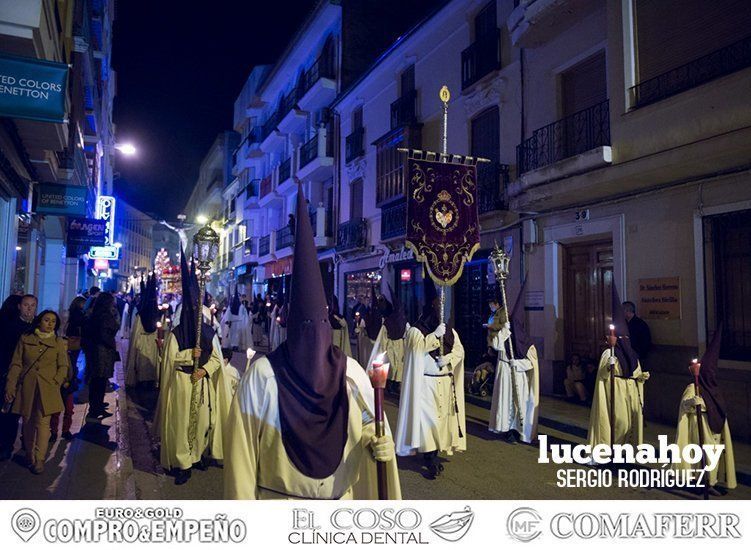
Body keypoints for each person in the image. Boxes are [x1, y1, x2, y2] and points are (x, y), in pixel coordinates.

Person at [224, 185, 400, 499]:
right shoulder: (263, 376)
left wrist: (379, 439)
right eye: (304, 328)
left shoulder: (352, 374)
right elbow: (241, 458)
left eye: (317, 327)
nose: (312, 337)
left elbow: (368, 424)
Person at [158, 250, 232, 485]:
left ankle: (198, 454)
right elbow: (170, 361)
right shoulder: (176, 335)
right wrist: (191, 355)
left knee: (202, 423)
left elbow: (217, 359)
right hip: (182, 383)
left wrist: (204, 369)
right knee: (181, 425)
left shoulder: (208, 332)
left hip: (201, 382)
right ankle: (183, 463)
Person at [396, 277, 466, 479]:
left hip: (444, 382)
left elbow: (460, 351)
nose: (439, 310)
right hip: (425, 384)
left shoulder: (449, 331)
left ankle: (434, 453)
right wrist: (435, 336)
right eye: (436, 306)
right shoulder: (416, 332)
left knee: (442, 422)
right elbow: (416, 350)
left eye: (441, 306)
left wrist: (449, 359)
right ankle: (430, 459)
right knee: (429, 422)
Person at [4, 310, 69, 474]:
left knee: (43, 423)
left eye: (53, 321)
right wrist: (10, 385)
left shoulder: (58, 342)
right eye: (46, 320)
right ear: (39, 321)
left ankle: (39, 459)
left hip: (47, 387)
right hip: (27, 386)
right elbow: (16, 363)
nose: (50, 324)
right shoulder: (26, 339)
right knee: (27, 422)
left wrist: (57, 380)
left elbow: (63, 365)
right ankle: (30, 453)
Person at [672, 326, 736, 494]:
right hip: (702, 426)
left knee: (714, 455)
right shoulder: (693, 387)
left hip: (716, 426)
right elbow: (684, 405)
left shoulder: (713, 387)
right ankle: (706, 483)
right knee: (706, 456)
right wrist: (693, 401)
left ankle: (712, 482)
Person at [586, 285, 650, 450]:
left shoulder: (632, 354)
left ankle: (623, 450)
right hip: (614, 392)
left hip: (628, 393)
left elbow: (637, 372)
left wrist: (641, 377)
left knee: (628, 422)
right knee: (618, 421)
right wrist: (610, 366)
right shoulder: (609, 354)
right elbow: (603, 374)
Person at [488, 281, 539, 444]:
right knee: (506, 402)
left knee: (519, 403)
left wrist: (519, 364)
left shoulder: (526, 342)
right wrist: (504, 331)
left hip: (519, 375)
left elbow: (532, 363)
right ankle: (506, 428)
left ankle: (517, 429)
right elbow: (495, 346)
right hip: (504, 371)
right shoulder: (505, 337)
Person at [0, 294, 37, 460]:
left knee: (25, 412)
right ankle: (7, 446)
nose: (29, 309)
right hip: (11, 373)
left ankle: (24, 443)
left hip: (27, 376)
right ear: (19, 307)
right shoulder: (11, 326)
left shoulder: (38, 326)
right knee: (10, 412)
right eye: (25, 305)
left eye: (32, 305)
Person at [50, 296, 86, 441]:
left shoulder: (67, 352)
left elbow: (71, 369)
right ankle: (54, 431)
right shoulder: (57, 348)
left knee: (68, 410)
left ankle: (64, 430)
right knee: (56, 410)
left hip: (68, 384)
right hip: (59, 383)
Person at [84, 293, 120, 420]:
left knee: (97, 381)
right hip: (102, 352)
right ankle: (96, 408)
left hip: (97, 351)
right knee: (99, 381)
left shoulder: (95, 314)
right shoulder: (105, 316)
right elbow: (107, 332)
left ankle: (97, 406)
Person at [368, 284, 408, 393]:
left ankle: (394, 385)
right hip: (396, 345)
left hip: (395, 345)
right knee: (395, 366)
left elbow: (384, 337)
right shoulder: (400, 320)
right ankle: (393, 384)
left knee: (395, 366)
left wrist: (382, 350)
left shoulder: (389, 322)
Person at [125, 274, 160, 387]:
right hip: (151, 342)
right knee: (148, 363)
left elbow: (135, 333)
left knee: (145, 362)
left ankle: (145, 380)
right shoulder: (156, 314)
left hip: (144, 342)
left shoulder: (141, 315)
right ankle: (147, 381)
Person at [356, 285, 381, 368]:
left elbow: (360, 328)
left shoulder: (371, 316)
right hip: (371, 341)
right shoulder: (367, 314)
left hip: (373, 341)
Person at [221, 287, 249, 351]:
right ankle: (235, 345)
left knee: (234, 334)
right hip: (237, 323)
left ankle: (234, 345)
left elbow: (228, 314)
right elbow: (244, 315)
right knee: (235, 334)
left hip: (234, 322)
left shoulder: (232, 306)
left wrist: (228, 320)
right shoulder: (240, 306)